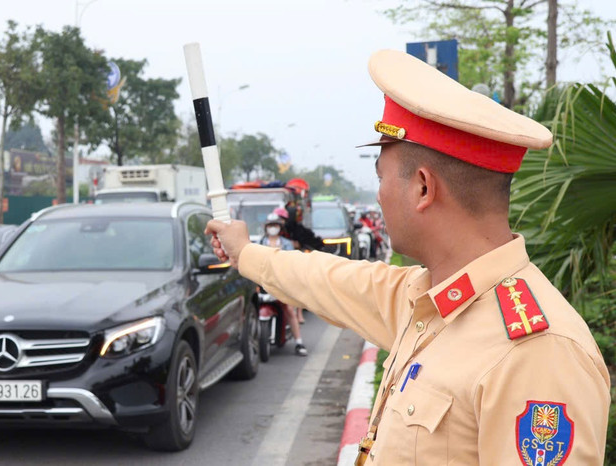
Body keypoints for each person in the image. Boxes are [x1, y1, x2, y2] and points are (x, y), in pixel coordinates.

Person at [205, 49, 609, 465]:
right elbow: (327, 278)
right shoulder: (427, 298)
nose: (378, 194)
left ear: (422, 188)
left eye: (381, 177)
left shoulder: (535, 352)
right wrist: (245, 252)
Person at [259, 213, 306, 356]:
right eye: (270, 225)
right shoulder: (260, 244)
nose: (273, 228)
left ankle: (299, 342)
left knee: (290, 311)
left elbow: (291, 264)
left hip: (283, 283)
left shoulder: (287, 244)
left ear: (279, 227)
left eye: (275, 225)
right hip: (264, 283)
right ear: (266, 228)